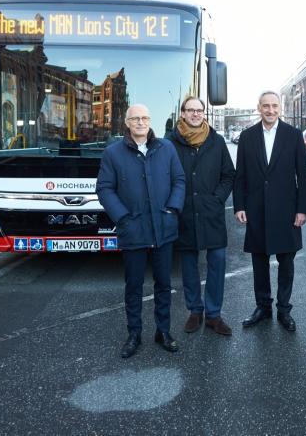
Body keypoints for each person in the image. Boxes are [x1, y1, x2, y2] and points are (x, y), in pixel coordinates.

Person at [96, 104, 186, 358]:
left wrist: (173, 208)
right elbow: (104, 188)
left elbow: (179, 180)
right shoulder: (113, 153)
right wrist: (122, 217)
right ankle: (134, 333)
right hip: (133, 228)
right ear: (126, 122)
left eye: (145, 117)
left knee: (164, 283)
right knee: (133, 285)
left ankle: (163, 331)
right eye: (135, 118)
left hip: (163, 226)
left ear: (150, 120)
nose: (140, 122)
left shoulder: (166, 148)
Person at [233, 91, 306, 331]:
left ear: (280, 108)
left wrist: (302, 210)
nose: (270, 110)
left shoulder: (293, 135)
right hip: (256, 209)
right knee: (260, 262)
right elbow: (240, 175)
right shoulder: (247, 137)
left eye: (274, 106)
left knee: (286, 262)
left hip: (286, 211)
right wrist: (239, 206)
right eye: (265, 106)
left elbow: (303, 176)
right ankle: (263, 307)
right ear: (259, 108)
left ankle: (284, 310)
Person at [169, 96, 235, 336]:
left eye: (200, 110)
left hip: (211, 212)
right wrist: (174, 204)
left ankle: (214, 315)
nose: (196, 114)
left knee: (217, 262)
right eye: (191, 110)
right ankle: (195, 311)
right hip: (184, 212)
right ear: (183, 113)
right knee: (189, 265)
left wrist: (217, 199)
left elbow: (229, 174)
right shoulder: (170, 142)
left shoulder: (216, 141)